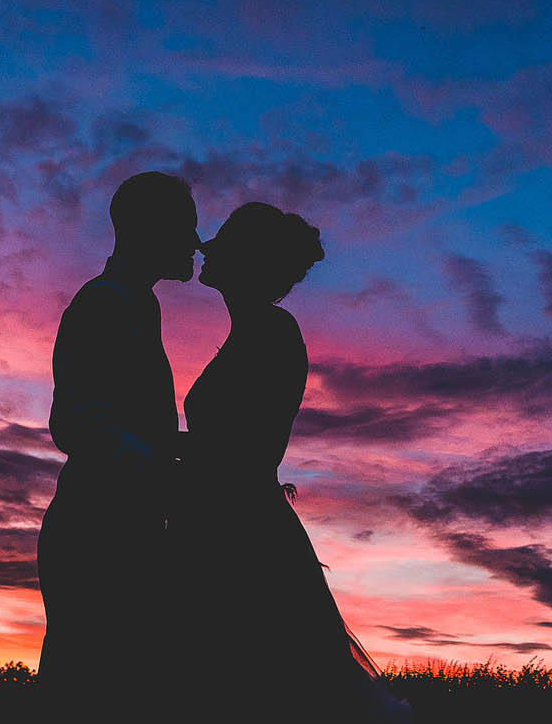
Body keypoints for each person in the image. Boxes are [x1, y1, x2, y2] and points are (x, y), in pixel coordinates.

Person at [172, 202, 412, 722]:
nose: (205, 246)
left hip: (239, 529)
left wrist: (147, 445)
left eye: (223, 240)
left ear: (246, 260)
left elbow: (245, 451)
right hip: (217, 517)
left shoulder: (271, 333)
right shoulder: (250, 332)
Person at [35, 171, 199, 720]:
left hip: (124, 527)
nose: (196, 241)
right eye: (186, 226)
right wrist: (160, 466)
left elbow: (127, 420)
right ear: (150, 229)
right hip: (96, 533)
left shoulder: (138, 304)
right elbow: (76, 422)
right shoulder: (105, 302)